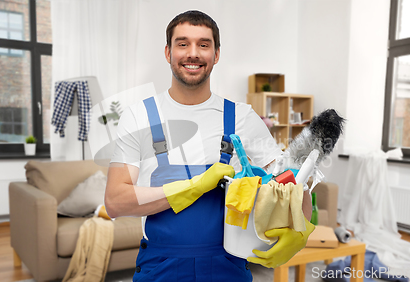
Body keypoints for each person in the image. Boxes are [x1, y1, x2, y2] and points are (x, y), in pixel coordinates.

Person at [105, 10, 313, 282]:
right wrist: (196, 186)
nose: (193, 53)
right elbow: (115, 202)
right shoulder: (139, 117)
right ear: (168, 52)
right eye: (183, 44)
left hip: (227, 266)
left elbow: (292, 185)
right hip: (160, 267)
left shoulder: (242, 117)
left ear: (216, 55)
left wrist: (302, 228)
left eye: (204, 44)